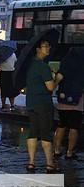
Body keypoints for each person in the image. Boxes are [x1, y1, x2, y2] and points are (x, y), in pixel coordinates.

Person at [25, 39, 63, 173]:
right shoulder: (43, 66)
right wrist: (57, 78)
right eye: (45, 46)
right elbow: (50, 87)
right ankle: (49, 163)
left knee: (33, 131)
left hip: (31, 103)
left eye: (48, 46)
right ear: (38, 49)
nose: (48, 48)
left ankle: (31, 162)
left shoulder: (29, 65)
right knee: (46, 133)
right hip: (43, 104)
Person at [53, 93, 83, 160]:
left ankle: (57, 150)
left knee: (61, 126)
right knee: (74, 128)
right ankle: (69, 152)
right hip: (77, 104)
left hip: (62, 103)